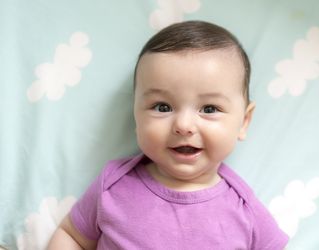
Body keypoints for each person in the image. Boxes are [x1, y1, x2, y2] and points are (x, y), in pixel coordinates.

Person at [47, 20, 289, 249]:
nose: (184, 125)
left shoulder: (245, 210)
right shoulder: (113, 184)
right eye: (162, 107)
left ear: (244, 122)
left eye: (209, 109)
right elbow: (71, 236)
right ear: (136, 115)